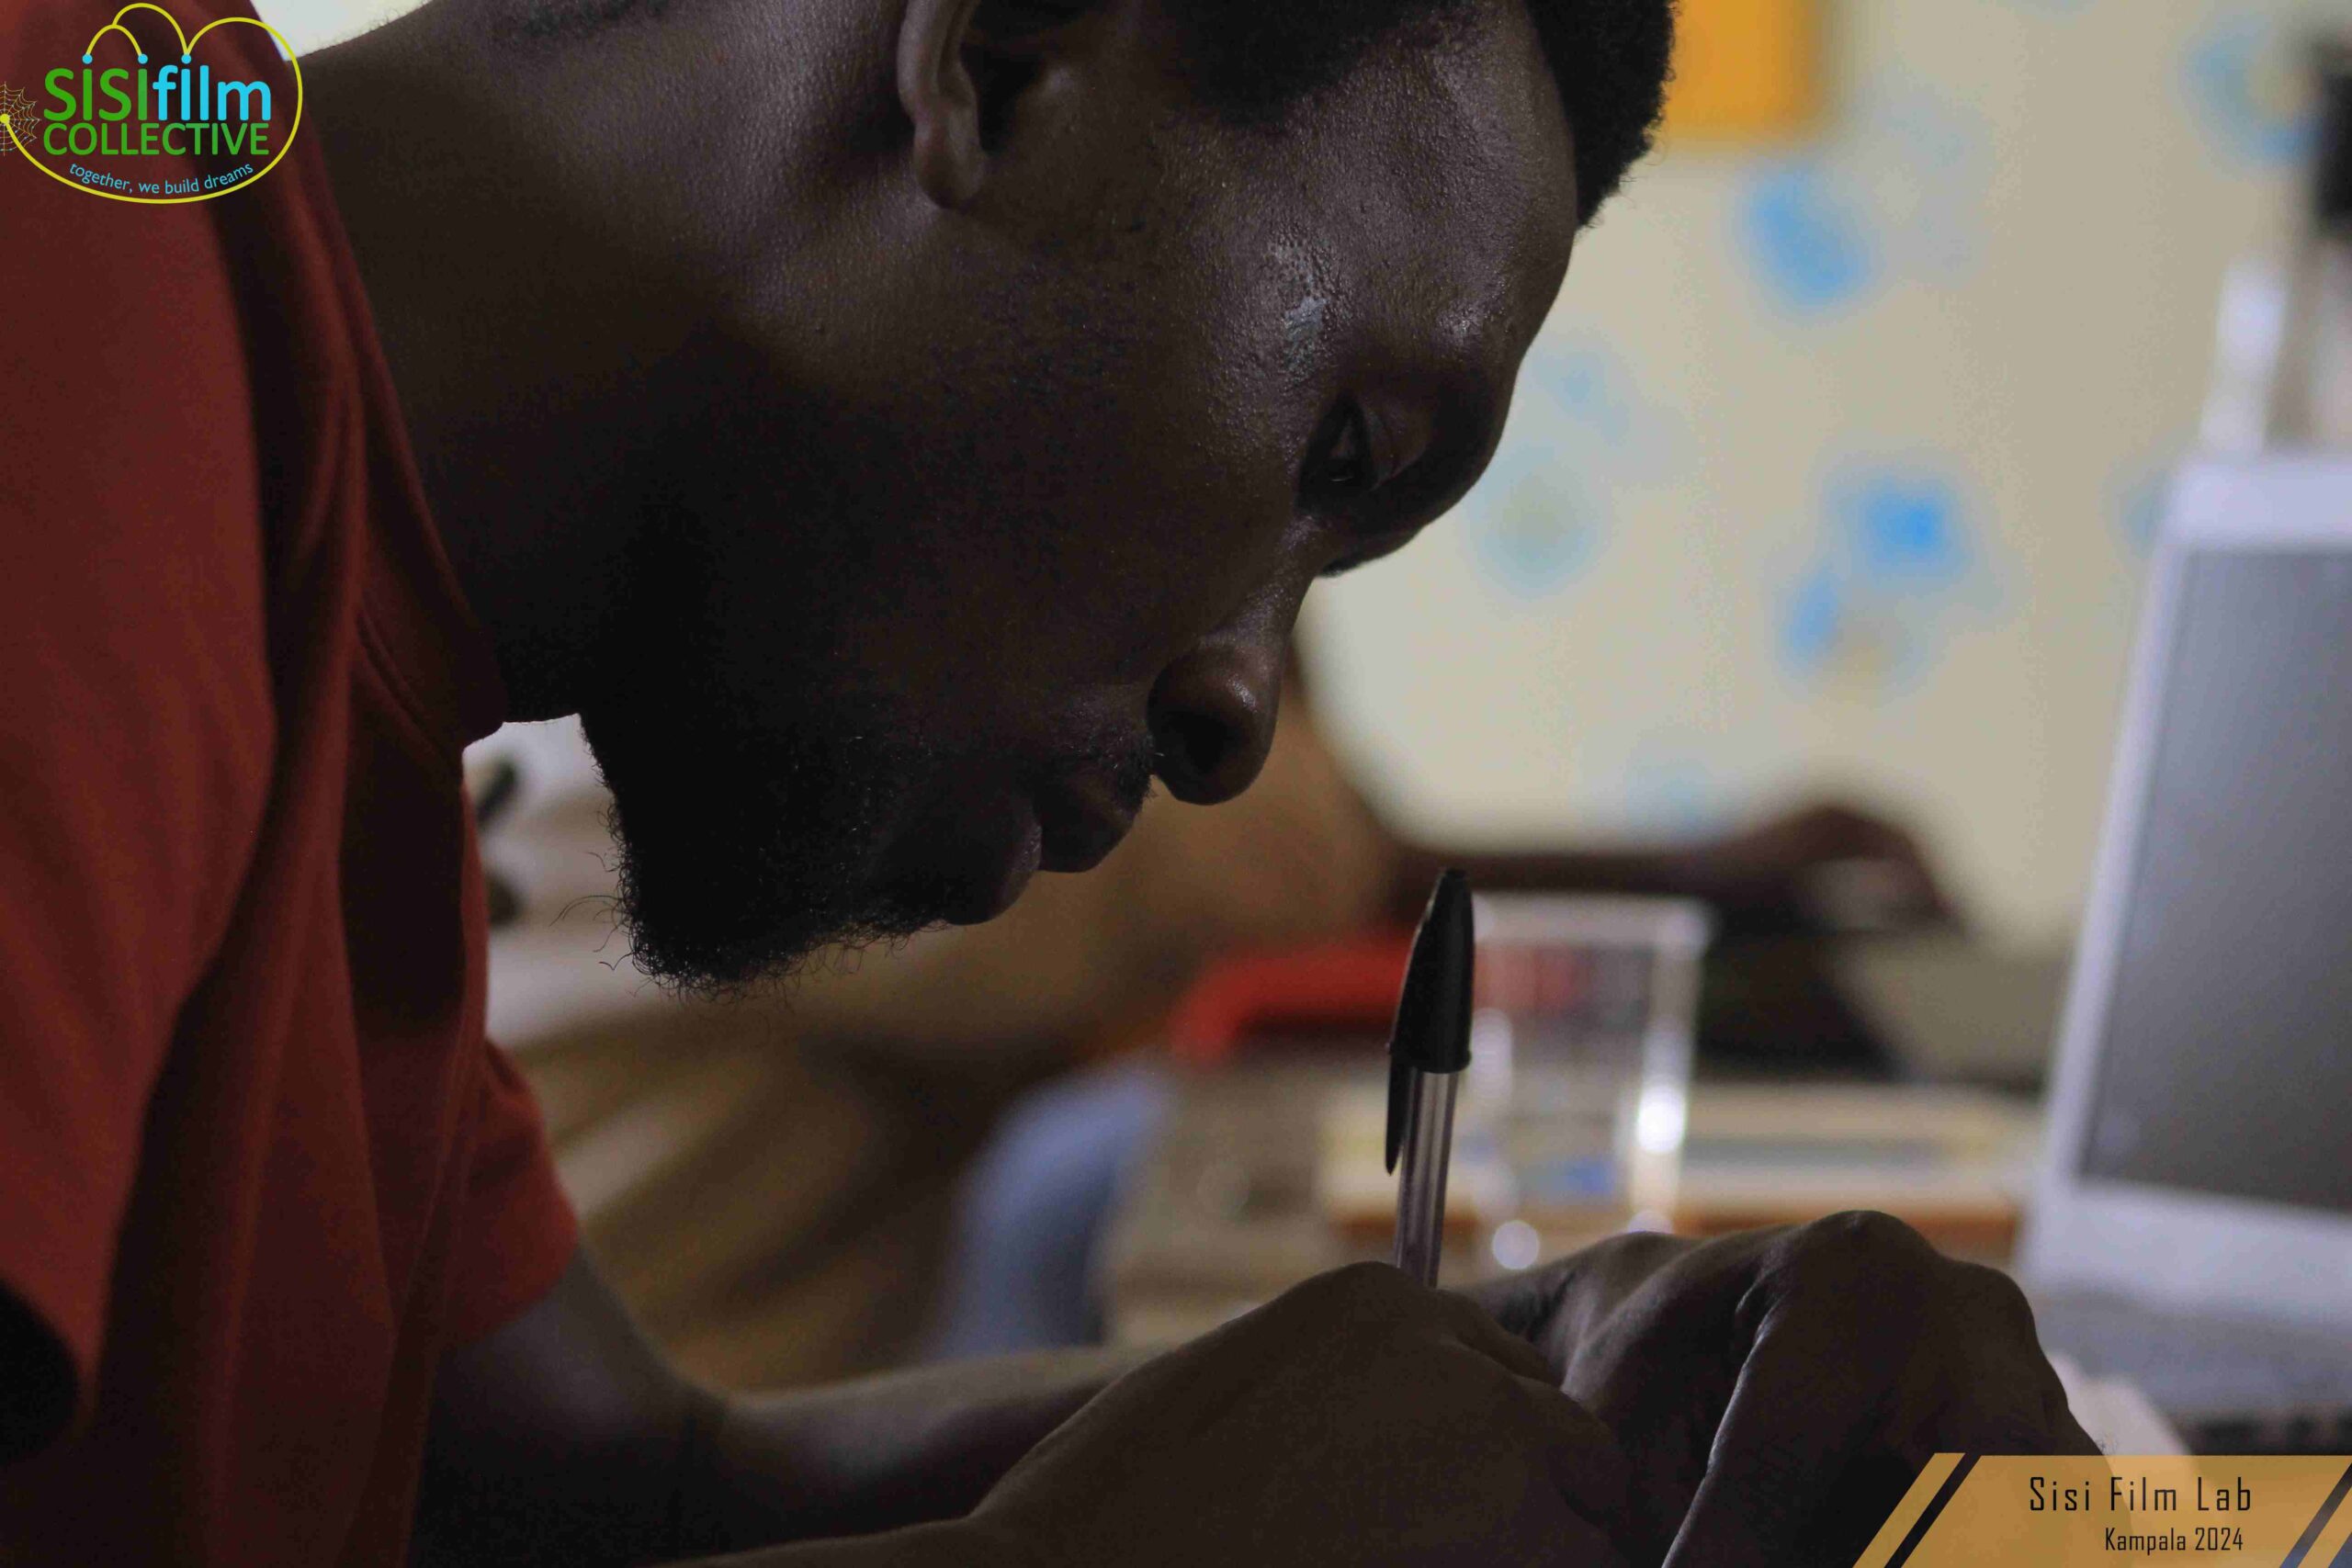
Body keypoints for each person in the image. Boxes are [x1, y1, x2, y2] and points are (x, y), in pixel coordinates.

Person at [0, 0, 2094, 1562]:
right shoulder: (63, 277)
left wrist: (1530, 1398)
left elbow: (629, 1488)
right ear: (994, 61)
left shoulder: (339, 645)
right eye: (1335, 455)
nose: (1236, 715)